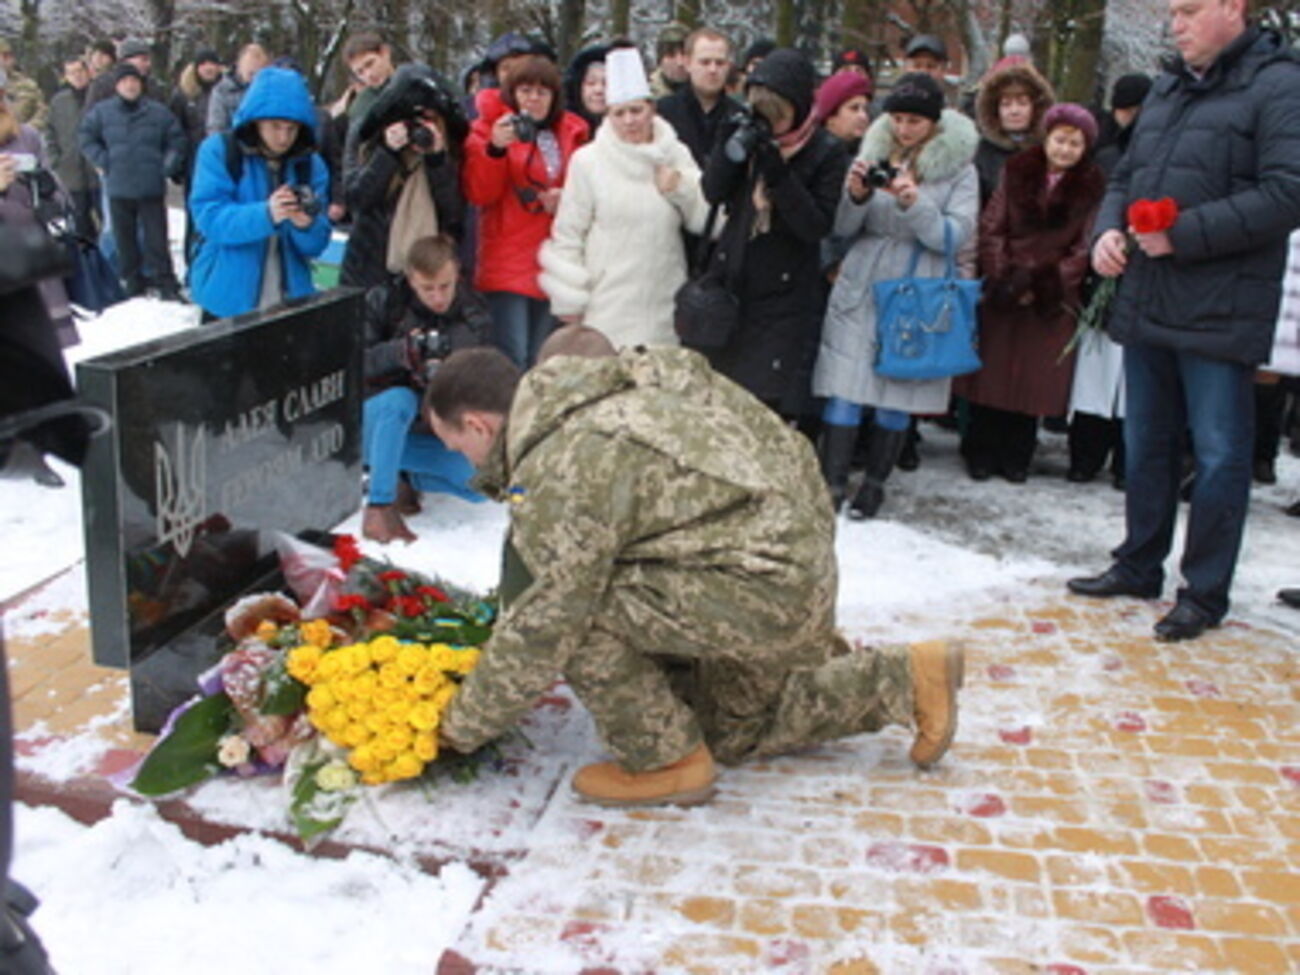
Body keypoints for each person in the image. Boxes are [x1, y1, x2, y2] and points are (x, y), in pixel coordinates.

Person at [423, 339, 965, 807]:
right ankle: (908, 677)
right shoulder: (624, 379)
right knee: (732, 732)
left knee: (577, 614)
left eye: (460, 449)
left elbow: (546, 623)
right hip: (789, 563)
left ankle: (666, 761)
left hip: (758, 589)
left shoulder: (563, 465)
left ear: (479, 424)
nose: (468, 465)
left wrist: (452, 728)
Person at [1067, 0, 1300, 642]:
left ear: (1234, 8)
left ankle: (1203, 592)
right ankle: (1139, 563)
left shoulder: (1279, 83)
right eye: (1172, 11)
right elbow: (1129, 175)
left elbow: (1288, 191)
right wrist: (1108, 230)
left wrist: (1185, 234)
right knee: (1146, 441)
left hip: (1223, 306)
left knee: (1220, 454)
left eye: (1190, 9)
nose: (1176, 22)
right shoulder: (1168, 85)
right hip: (1150, 297)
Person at [812, 72, 979, 517]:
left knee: (896, 394)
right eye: (898, 118)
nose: (904, 129)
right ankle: (831, 483)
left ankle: (875, 484)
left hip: (916, 285)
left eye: (915, 121)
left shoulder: (960, 169)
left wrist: (914, 201)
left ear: (935, 122)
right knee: (844, 388)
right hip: (862, 281)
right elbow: (844, 228)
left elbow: (954, 236)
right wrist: (856, 195)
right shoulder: (873, 151)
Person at [955, 103, 1105, 482]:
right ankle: (980, 450)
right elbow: (992, 226)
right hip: (1006, 285)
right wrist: (1005, 275)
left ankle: (1017, 454)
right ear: (1047, 137)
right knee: (993, 372)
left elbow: (1085, 246)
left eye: (1075, 143)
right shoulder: (1018, 171)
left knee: (1033, 380)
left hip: (1051, 293)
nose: (1065, 150)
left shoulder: (1092, 187)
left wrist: (1047, 283)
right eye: (1060, 140)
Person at [700, 48, 849, 425]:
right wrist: (728, 149)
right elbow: (712, 191)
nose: (771, 127)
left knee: (764, 404)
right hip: (733, 283)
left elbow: (816, 225)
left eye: (778, 118)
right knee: (720, 397)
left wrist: (778, 174)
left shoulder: (826, 152)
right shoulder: (743, 131)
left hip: (784, 296)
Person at [538, 47, 708, 349]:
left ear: (651, 109)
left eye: (636, 110)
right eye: (619, 113)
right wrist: (569, 301)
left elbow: (707, 219)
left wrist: (679, 187)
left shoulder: (674, 153)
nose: (629, 121)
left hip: (664, 304)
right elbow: (568, 234)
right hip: (605, 308)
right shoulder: (587, 162)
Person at [361, 234, 491, 543]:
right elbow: (355, 365)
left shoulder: (474, 311)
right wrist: (400, 352)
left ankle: (402, 474)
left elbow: (484, 377)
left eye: (445, 286)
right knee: (399, 400)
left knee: (480, 485)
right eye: (427, 288)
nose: (437, 297)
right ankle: (380, 503)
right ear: (410, 280)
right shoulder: (384, 300)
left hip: (432, 424)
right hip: (381, 415)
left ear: (457, 273)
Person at [463, 54, 588, 367]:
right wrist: (494, 150)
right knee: (511, 358)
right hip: (508, 261)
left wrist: (566, 198)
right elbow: (480, 193)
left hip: (554, 259)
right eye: (526, 91)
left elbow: (588, 189)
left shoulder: (570, 132)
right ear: (512, 94)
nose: (533, 99)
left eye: (542, 92)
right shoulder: (488, 130)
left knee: (543, 359)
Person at [186, 66, 330, 319]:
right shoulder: (219, 151)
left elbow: (318, 243)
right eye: (275, 126)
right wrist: (265, 214)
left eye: (292, 129)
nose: (284, 137)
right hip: (226, 299)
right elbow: (209, 218)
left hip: (289, 299)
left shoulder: (310, 164)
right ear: (256, 121)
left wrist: (305, 225)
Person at [1067, 72, 1152, 488]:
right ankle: (1086, 453)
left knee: (1131, 380)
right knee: (1096, 372)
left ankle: (1125, 459)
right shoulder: (1104, 158)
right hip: (1103, 271)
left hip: (1146, 274)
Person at [340, 63, 467, 290]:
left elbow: (454, 215)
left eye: (428, 119)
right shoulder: (367, 141)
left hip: (427, 280)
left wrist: (437, 160)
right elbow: (357, 200)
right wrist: (387, 153)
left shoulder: (451, 151)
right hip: (368, 271)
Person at [79, 62, 186, 301]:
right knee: (123, 239)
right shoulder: (101, 112)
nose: (130, 85)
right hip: (118, 186)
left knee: (157, 238)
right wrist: (103, 161)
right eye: (125, 81)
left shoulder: (158, 112)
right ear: (117, 85)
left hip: (151, 186)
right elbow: (86, 137)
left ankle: (165, 281)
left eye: (134, 81)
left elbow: (176, 140)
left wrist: (167, 166)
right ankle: (132, 281)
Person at [0, 70, 76, 354]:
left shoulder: (27, 136)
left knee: (41, 360)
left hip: (29, 257)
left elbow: (61, 196)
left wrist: (47, 191)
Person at [972, 59, 1054, 206]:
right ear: (994, 109)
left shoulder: (1051, 149)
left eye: (1022, 103)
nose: (1014, 111)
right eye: (1006, 104)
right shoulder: (980, 153)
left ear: (1035, 107)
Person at [171, 48, 225, 262]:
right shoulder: (183, 94)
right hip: (194, 163)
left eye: (213, 63)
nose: (209, 68)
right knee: (195, 216)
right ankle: (193, 261)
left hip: (220, 162)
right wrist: (177, 165)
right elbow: (175, 130)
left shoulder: (225, 91)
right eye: (204, 64)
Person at [656, 28, 737, 168]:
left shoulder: (740, 118)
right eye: (705, 62)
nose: (713, 70)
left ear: (728, 66)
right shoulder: (661, 114)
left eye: (719, 63)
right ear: (687, 63)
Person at [46, 56, 100, 237]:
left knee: (106, 223)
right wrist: (55, 160)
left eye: (79, 71)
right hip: (70, 173)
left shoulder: (99, 96)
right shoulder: (58, 102)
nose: (76, 76)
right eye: (71, 73)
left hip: (97, 173)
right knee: (80, 225)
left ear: (88, 72)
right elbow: (50, 132)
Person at [206, 43, 269, 135]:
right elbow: (216, 128)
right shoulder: (222, 91)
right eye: (251, 73)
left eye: (258, 73)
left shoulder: (268, 91)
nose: (254, 78)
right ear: (240, 66)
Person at [86, 38, 163, 109]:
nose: (148, 64)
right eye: (143, 59)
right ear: (126, 60)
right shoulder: (102, 85)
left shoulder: (152, 86)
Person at [0, 39, 47, 130]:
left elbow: (42, 111)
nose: (7, 60)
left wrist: (27, 131)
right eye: (4, 56)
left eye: (8, 56)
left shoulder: (27, 85)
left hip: (21, 139)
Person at [649, 23, 690, 98]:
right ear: (660, 61)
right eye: (671, 55)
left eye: (684, 54)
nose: (679, 63)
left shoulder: (708, 95)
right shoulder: (646, 97)